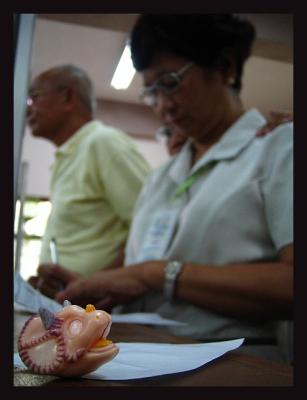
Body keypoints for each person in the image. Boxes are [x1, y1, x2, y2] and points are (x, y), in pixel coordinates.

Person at [53, 15, 292, 362]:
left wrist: (154, 274)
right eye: (151, 92)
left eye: (170, 82)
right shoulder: (162, 177)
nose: (163, 106)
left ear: (225, 68)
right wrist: (88, 288)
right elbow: (135, 266)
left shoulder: (279, 148)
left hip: (230, 359)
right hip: (133, 347)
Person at [26, 64, 150, 298]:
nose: (27, 110)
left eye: (34, 98)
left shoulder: (103, 143)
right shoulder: (69, 155)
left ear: (68, 97)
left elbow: (151, 229)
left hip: (103, 309)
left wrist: (94, 284)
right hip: (74, 304)